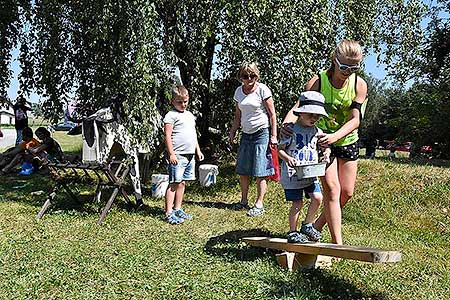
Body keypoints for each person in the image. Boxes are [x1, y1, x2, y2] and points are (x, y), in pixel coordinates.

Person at [282, 39, 368, 244]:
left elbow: (355, 120)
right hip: (320, 141)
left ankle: (315, 226)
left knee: (346, 194)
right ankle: (338, 245)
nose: (348, 71)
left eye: (354, 67)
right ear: (334, 60)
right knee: (332, 190)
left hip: (346, 139)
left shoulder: (359, 85)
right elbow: (299, 106)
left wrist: (336, 136)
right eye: (344, 66)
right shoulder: (318, 81)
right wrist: (288, 123)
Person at [279, 91, 331, 243]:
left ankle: (307, 224)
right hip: (293, 174)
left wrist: (326, 154)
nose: (314, 118)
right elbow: (280, 150)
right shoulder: (291, 130)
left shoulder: (317, 132)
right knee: (298, 203)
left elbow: (325, 147)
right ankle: (292, 231)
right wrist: (288, 158)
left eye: (317, 116)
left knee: (318, 197)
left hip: (310, 173)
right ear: (301, 113)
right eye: (310, 115)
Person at [228, 61, 278, 217]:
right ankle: (243, 201)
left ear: (257, 76)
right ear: (240, 77)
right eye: (245, 76)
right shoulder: (238, 92)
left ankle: (259, 203)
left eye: (252, 75)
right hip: (246, 134)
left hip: (261, 133)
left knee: (260, 170)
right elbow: (238, 116)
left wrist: (274, 136)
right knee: (243, 169)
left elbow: (272, 115)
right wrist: (232, 132)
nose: (249, 78)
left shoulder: (263, 90)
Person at [163, 85, 204, 225]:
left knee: (182, 182)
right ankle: (168, 213)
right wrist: (171, 154)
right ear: (172, 101)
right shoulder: (170, 116)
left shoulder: (189, 115)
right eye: (179, 102)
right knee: (174, 183)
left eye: (185, 101)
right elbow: (167, 136)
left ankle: (178, 208)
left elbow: (193, 135)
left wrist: (197, 150)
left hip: (190, 154)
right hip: (178, 155)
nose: (183, 104)